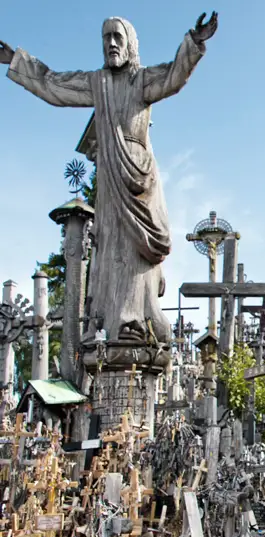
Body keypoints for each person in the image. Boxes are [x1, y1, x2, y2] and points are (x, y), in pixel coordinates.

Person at [0, 13, 217, 344]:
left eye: (118, 37)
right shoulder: (96, 82)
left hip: (138, 179)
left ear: (130, 43)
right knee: (112, 246)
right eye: (106, 38)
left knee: (135, 251)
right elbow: (53, 85)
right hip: (109, 177)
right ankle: (110, 323)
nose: (112, 43)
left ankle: (137, 319)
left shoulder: (142, 79)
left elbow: (174, 76)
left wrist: (194, 42)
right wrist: (16, 59)